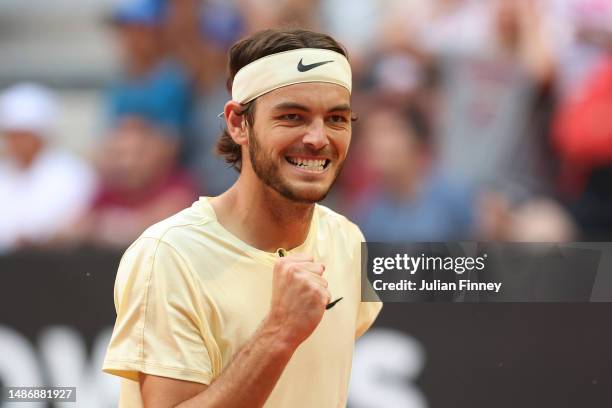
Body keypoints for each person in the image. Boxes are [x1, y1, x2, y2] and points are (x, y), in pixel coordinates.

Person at [102, 29, 382, 407]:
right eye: (292, 116)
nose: (318, 137)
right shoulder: (168, 255)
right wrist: (280, 331)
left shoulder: (348, 239)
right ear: (238, 123)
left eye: (336, 119)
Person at [0, 83, 96, 253]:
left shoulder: (72, 173)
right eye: (10, 134)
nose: (15, 142)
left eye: (23, 135)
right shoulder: (5, 170)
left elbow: (64, 227)